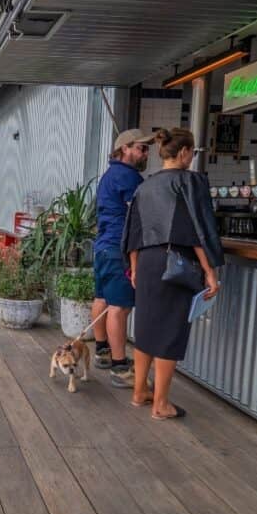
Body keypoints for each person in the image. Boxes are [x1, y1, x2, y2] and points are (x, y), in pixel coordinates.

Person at [122, 127, 223, 420]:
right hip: (177, 262)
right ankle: (161, 404)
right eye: (191, 152)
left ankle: (140, 392)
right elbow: (196, 230)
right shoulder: (190, 181)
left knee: (146, 328)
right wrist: (209, 271)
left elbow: (133, 230)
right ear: (183, 152)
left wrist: (135, 267)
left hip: (147, 262)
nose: (191, 157)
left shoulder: (146, 185)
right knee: (170, 332)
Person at [91, 128, 155, 387]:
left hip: (104, 246)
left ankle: (102, 351)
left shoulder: (109, 175)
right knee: (120, 307)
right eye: (141, 148)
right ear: (125, 148)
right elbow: (140, 217)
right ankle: (119, 369)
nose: (145, 153)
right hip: (119, 248)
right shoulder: (129, 178)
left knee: (103, 298)